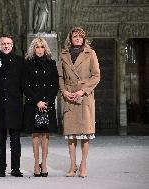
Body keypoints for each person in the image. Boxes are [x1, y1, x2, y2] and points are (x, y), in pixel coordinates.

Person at [57, 27, 100, 178]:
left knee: (85, 133)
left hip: (84, 96)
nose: (77, 39)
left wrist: (82, 91)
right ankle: (72, 165)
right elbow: (60, 77)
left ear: (83, 39)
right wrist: (64, 91)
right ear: (70, 38)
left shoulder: (90, 53)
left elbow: (96, 76)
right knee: (71, 134)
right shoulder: (63, 54)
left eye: (80, 37)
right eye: (75, 36)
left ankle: (83, 165)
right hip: (69, 96)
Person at [0, 34, 24, 177]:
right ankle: (1, 168)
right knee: (0, 140)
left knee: (16, 140)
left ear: (12, 45)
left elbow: (23, 82)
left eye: (8, 43)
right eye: (3, 43)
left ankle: (16, 168)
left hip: (15, 105)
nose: (6, 46)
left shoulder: (20, 61)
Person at [23, 37, 59, 177]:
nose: (39, 49)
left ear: (45, 48)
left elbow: (54, 85)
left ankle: (44, 163)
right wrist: (37, 101)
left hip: (47, 103)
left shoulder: (51, 63)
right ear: (33, 48)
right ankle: (36, 163)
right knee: (35, 134)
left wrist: (47, 101)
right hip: (33, 103)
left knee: (45, 134)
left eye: (42, 47)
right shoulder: (27, 64)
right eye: (37, 47)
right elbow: (25, 85)